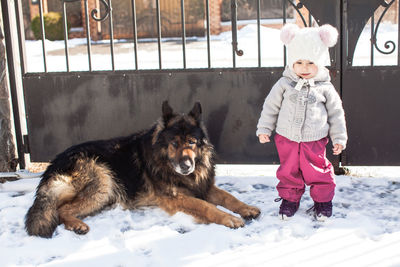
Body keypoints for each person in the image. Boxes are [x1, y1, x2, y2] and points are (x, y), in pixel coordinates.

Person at [256, 24, 347, 221]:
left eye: (310, 63)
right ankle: (289, 199)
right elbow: (270, 107)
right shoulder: (284, 84)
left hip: (314, 140)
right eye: (299, 62)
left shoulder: (325, 88)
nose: (304, 68)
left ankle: (323, 202)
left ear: (321, 62)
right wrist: (264, 128)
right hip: (286, 138)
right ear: (291, 62)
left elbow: (336, 114)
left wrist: (339, 137)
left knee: (318, 170)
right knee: (288, 170)